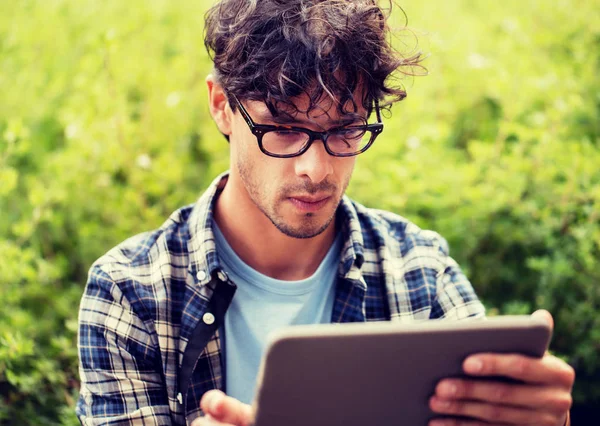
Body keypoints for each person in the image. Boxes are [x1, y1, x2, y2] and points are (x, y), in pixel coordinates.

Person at [76, 1, 574, 425]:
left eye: (345, 129)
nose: (316, 169)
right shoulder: (130, 293)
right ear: (222, 105)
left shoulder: (420, 273)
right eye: (284, 129)